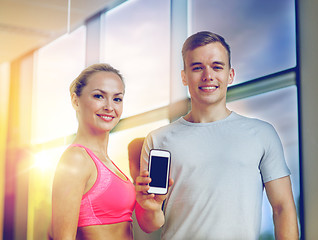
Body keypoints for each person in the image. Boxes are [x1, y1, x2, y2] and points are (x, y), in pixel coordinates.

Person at [135, 31, 299, 239]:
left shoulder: (262, 134)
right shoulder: (158, 139)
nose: (208, 76)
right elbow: (149, 226)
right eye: (197, 68)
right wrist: (150, 207)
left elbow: (282, 208)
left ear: (230, 75)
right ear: (184, 77)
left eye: (217, 66)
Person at [50, 63, 136, 240]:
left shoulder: (107, 162)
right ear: (76, 101)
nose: (109, 107)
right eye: (99, 96)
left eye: (117, 99)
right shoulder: (76, 159)